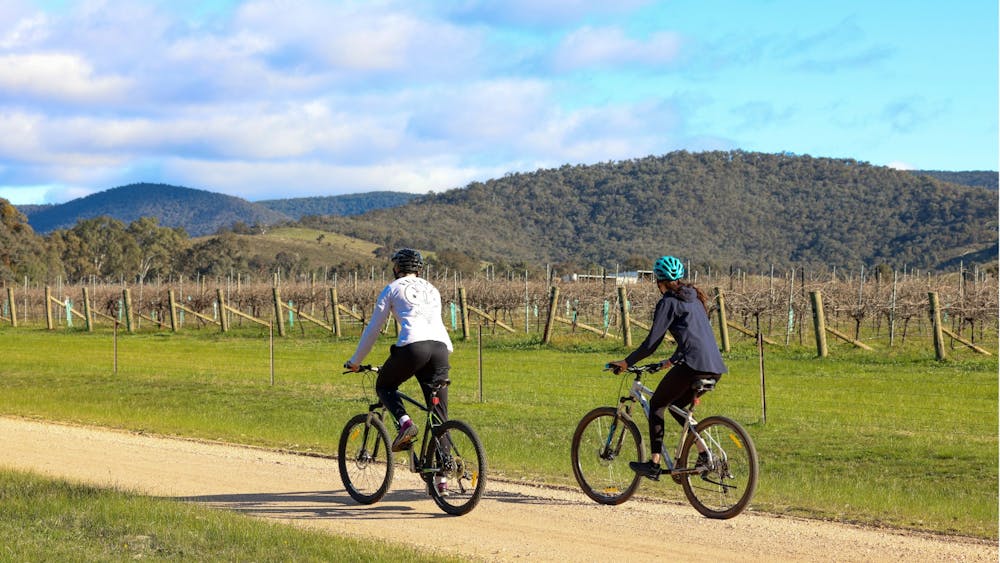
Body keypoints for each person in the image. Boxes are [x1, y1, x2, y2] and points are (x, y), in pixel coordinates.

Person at [607, 255, 727, 480]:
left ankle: (653, 464)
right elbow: (694, 338)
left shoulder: (668, 302)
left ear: (658, 281)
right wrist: (671, 362)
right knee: (677, 406)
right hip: (715, 368)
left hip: (693, 366)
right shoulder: (694, 299)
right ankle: (703, 453)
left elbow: (651, 343)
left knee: (658, 404)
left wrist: (626, 362)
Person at [344, 248, 453, 466]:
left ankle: (405, 424)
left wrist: (355, 361)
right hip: (441, 349)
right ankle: (443, 474)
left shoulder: (392, 288)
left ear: (396, 268)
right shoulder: (432, 289)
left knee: (384, 386)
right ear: (419, 269)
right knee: (439, 415)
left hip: (414, 347)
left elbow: (374, 328)